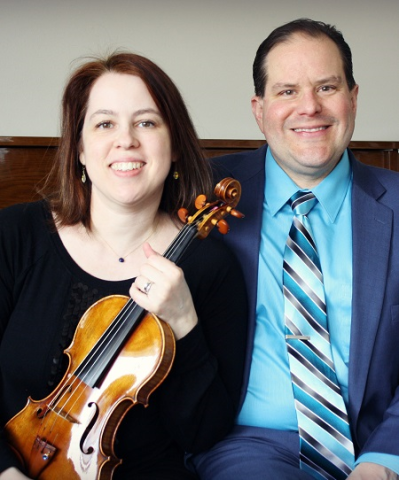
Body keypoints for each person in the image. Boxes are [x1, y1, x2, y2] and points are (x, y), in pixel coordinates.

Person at [0, 52, 248, 480]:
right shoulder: (15, 235)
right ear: (79, 148)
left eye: (147, 122)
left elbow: (206, 433)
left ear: (173, 148)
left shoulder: (211, 266)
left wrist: (183, 321)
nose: (127, 140)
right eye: (104, 123)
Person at [191, 18, 399, 480]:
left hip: (380, 442)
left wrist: (384, 460)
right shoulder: (201, 194)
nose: (310, 107)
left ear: (353, 98)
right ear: (259, 109)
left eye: (327, 87)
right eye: (287, 92)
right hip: (252, 447)